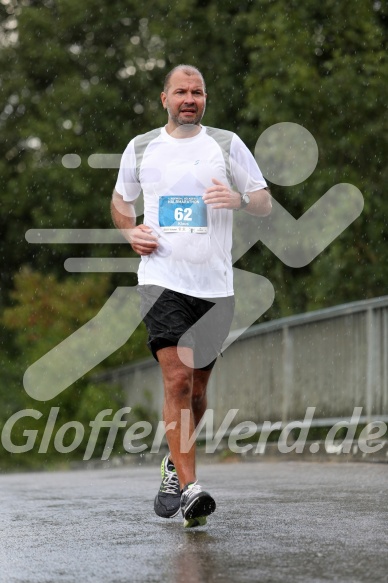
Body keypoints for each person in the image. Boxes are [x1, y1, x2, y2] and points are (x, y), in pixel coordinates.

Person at [111, 64, 271, 528]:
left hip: (215, 286)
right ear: (164, 98)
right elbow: (121, 201)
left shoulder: (226, 144)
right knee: (177, 380)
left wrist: (239, 201)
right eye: (180, 91)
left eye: (196, 92)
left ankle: (172, 465)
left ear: (205, 99)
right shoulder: (142, 148)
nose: (189, 98)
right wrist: (130, 232)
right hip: (161, 280)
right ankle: (191, 488)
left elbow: (263, 200)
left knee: (198, 390)